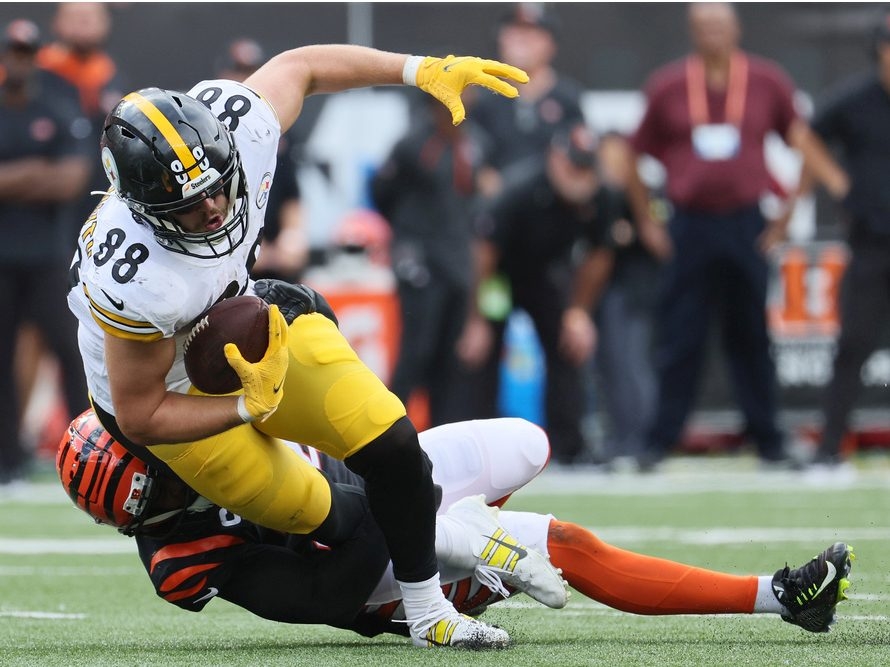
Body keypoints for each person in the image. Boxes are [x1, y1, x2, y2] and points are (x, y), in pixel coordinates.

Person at [66, 44, 530, 649]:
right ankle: (446, 551)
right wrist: (244, 408)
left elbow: (301, 67)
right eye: (187, 204)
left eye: (217, 187)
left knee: (392, 442)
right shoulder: (135, 276)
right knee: (326, 511)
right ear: (143, 208)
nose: (213, 208)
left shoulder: (239, 127)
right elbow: (141, 413)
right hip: (173, 388)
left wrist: (418, 70)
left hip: (240, 315)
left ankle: (428, 613)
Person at [57, 409, 855, 639]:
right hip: (368, 575)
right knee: (563, 546)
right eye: (158, 495)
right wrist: (436, 533)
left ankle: (465, 532)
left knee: (527, 442)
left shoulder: (187, 413)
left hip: (368, 488)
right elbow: (324, 598)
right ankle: (780, 597)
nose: (179, 482)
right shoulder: (181, 560)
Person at [625, 2, 823, 472]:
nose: (711, 32)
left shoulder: (766, 80)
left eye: (719, 24)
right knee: (679, 337)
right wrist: (647, 222)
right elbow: (630, 155)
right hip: (689, 223)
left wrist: (785, 217)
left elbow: (807, 147)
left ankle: (770, 440)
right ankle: (658, 442)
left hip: (745, 224)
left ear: (736, 29)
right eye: (702, 25)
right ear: (692, 32)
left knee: (752, 335)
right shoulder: (669, 84)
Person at [457, 124, 616, 465]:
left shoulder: (601, 196)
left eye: (588, 168)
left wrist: (579, 311)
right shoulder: (518, 191)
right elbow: (483, 255)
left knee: (566, 345)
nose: (581, 177)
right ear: (556, 160)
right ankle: (481, 451)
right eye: (575, 166)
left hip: (544, 274)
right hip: (498, 277)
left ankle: (569, 445)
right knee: (483, 355)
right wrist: (476, 320)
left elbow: (599, 255)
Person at [792, 12, 890, 474]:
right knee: (853, 345)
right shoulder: (856, 101)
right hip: (873, 242)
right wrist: (839, 183)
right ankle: (830, 447)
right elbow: (805, 135)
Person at [0, 18, 92, 484]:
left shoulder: (55, 106)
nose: (19, 60)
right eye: (12, 52)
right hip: (2, 260)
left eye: (25, 52)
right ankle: (7, 461)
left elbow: (70, 179)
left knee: (75, 353)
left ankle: (93, 453)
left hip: (49, 257)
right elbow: (51, 175)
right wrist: (36, 171)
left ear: (34, 55)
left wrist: (10, 178)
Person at [371, 91, 483, 426]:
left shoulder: (475, 143)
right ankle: (389, 432)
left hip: (457, 260)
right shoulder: (412, 144)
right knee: (416, 350)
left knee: (449, 358)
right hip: (420, 259)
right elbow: (381, 192)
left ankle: (442, 433)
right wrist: (407, 238)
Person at [586, 132, 660, 465]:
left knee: (631, 363)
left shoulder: (645, 195)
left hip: (635, 291)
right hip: (604, 292)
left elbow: (661, 242)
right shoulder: (598, 196)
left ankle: (642, 438)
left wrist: (639, 224)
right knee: (610, 365)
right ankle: (620, 437)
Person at [468, 2, 586, 197]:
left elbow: (580, 156)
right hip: (495, 208)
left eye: (532, 33)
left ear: (550, 44)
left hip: (551, 203)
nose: (521, 40)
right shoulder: (481, 97)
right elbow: (469, 152)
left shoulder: (567, 98)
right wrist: (483, 177)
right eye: (514, 31)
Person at [215, 37, 308, 283]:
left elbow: (291, 194)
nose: (245, 82)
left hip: (272, 252)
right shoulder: (207, 131)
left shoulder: (276, 127)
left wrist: (292, 237)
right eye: (239, 73)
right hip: (221, 249)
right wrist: (243, 245)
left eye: (253, 73)